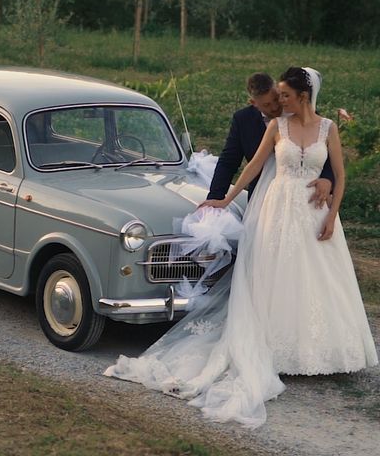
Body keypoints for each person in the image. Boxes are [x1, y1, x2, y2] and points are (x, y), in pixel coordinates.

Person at [104, 67, 378, 428]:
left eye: (284, 96)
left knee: (315, 279)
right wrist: (223, 198)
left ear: (302, 96)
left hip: (314, 212)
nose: (279, 102)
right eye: (275, 96)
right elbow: (249, 167)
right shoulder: (274, 127)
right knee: (274, 277)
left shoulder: (328, 128)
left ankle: (322, 352)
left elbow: (338, 173)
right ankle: (277, 352)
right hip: (277, 211)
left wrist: (332, 215)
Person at [206, 72, 333, 207]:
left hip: (302, 194)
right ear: (253, 103)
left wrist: (328, 179)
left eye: (276, 99)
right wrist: (216, 197)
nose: (274, 107)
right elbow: (229, 161)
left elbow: (324, 152)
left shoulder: (300, 113)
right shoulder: (243, 120)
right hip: (261, 194)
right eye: (266, 105)